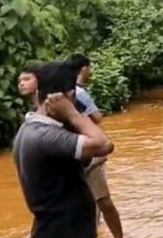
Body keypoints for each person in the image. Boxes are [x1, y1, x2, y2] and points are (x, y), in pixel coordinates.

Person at [13, 61, 114, 238]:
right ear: (69, 96)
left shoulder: (30, 128)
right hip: (63, 230)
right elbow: (103, 142)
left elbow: (103, 148)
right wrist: (71, 113)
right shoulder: (47, 135)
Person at [65, 54, 123, 238]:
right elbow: (97, 118)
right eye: (90, 67)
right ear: (83, 68)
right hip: (89, 147)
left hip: (72, 149)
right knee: (103, 201)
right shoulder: (79, 93)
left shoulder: (65, 92)